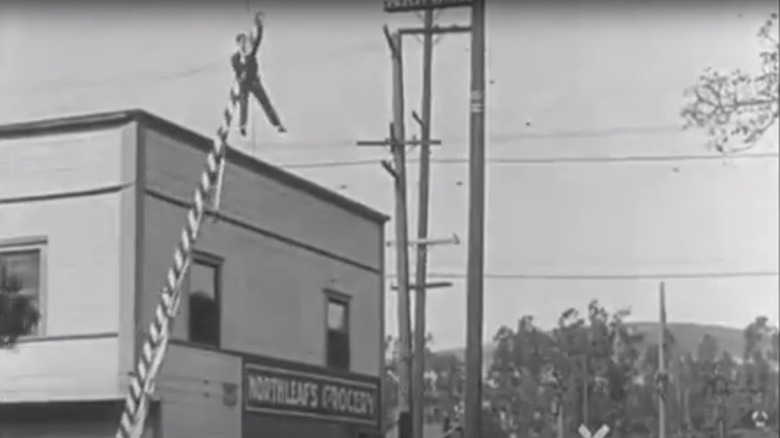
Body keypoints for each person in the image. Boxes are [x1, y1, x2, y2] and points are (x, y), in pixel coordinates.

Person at [231, 13, 286, 136]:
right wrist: (242, 75)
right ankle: (242, 126)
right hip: (244, 84)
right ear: (238, 44)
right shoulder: (234, 58)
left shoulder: (251, 53)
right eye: (241, 42)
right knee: (243, 105)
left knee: (265, 103)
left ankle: (278, 125)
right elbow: (237, 70)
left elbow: (258, 39)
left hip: (255, 82)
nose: (243, 44)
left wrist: (259, 26)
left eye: (244, 41)